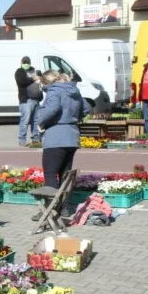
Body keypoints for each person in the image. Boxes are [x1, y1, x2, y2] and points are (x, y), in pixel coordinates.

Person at [32, 69, 91, 219]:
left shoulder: (54, 91)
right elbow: (86, 108)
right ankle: (64, 208)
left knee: (51, 174)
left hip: (55, 137)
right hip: (72, 136)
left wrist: (40, 122)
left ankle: (50, 209)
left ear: (47, 82)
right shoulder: (73, 90)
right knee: (65, 175)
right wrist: (72, 117)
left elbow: (52, 109)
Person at [15, 56, 36, 146]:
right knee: (25, 121)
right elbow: (22, 81)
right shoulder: (19, 71)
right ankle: (22, 140)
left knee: (36, 121)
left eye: (27, 62)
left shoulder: (33, 70)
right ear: (21, 63)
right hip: (26, 100)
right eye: (24, 62)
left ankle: (36, 139)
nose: (26, 64)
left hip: (35, 99)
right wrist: (32, 79)